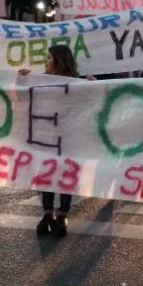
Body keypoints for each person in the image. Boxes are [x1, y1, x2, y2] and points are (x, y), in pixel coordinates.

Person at [19, 45, 84, 237]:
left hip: (68, 139)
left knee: (64, 176)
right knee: (45, 174)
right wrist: (22, 80)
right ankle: (48, 214)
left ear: (59, 60)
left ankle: (62, 214)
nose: (45, 61)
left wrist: (92, 85)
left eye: (48, 58)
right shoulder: (39, 80)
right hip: (45, 137)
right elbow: (22, 100)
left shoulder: (78, 83)